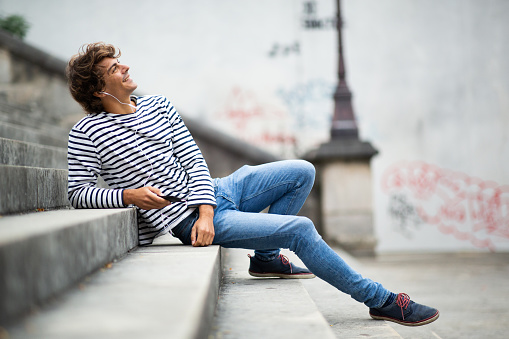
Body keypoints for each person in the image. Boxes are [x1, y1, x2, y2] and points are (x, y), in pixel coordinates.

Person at [66, 42, 439, 327]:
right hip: (184, 219)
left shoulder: (157, 105)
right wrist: (127, 195)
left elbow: (193, 159)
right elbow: (77, 193)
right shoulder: (86, 132)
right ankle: (382, 300)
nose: (126, 66)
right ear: (99, 89)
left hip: (214, 193)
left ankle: (265, 260)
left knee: (302, 171)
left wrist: (209, 210)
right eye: (115, 68)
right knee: (300, 229)